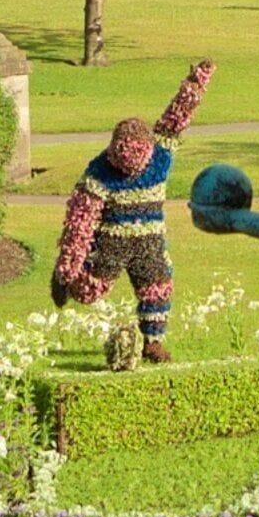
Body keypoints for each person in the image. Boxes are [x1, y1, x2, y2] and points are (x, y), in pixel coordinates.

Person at [52, 59, 217, 364]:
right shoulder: (99, 172)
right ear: (113, 151)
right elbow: (80, 222)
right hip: (110, 245)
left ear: (147, 152)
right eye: (122, 159)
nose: (127, 166)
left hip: (149, 243)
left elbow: (176, 116)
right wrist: (67, 269)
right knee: (90, 290)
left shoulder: (162, 154)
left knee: (158, 288)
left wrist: (196, 83)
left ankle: (153, 342)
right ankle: (68, 282)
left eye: (134, 160)